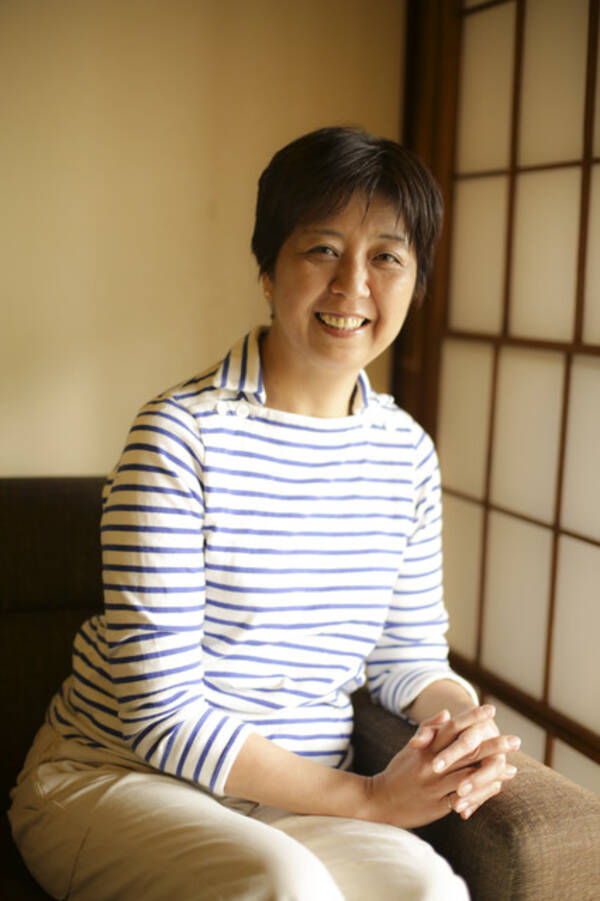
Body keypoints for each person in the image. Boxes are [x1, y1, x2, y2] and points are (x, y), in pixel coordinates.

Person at [9, 126, 520, 901]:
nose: (353, 285)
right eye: (322, 249)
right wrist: (372, 799)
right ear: (268, 270)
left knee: (431, 892)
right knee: (285, 885)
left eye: (387, 257)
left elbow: (407, 655)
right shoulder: (178, 435)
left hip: (294, 796)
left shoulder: (406, 452)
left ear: (417, 281)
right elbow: (161, 715)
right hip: (113, 778)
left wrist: (463, 727)